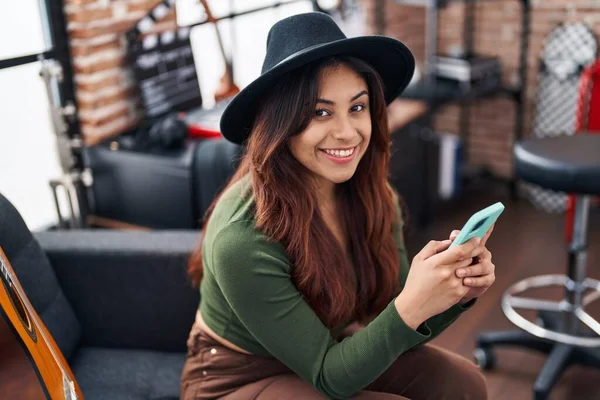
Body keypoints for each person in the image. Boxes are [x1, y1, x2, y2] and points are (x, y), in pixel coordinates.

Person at [181, 11, 495, 400]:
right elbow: (332, 376)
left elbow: (395, 322)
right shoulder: (241, 240)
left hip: (328, 346)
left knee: (463, 384)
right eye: (320, 112)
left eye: (358, 107)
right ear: (280, 124)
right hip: (236, 376)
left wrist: (455, 291)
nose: (347, 132)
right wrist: (412, 305)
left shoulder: (375, 196)